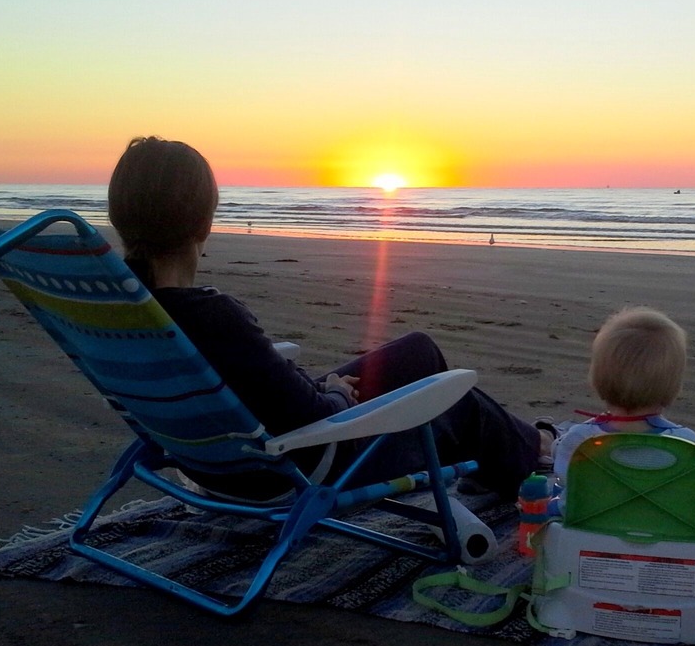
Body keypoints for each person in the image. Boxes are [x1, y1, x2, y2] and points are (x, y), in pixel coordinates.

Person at [106, 136, 548, 500]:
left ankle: (531, 443)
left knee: (418, 350)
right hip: (298, 467)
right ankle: (538, 454)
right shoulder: (212, 316)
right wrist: (335, 396)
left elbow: (270, 393)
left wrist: (321, 391)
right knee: (459, 401)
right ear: (204, 223)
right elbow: (313, 416)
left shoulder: (118, 316)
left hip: (215, 458)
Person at [550, 307, 695, 479]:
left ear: (598, 377)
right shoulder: (691, 446)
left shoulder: (578, 441)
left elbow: (560, 464)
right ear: (673, 384)